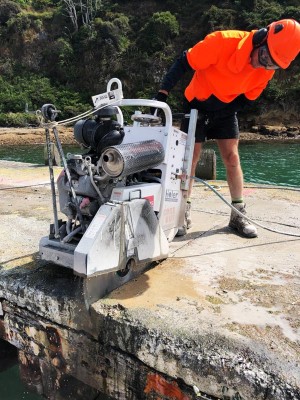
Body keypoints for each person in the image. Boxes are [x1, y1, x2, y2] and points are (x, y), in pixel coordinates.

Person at [154, 18, 300, 238]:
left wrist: (224, 109)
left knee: (232, 157)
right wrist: (162, 94)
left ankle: (237, 214)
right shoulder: (222, 41)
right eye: (264, 57)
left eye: (272, 64)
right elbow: (185, 61)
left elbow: (247, 100)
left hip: (226, 107)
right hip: (197, 103)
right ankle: (183, 211)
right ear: (260, 38)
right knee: (190, 158)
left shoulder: (266, 69)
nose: (263, 65)